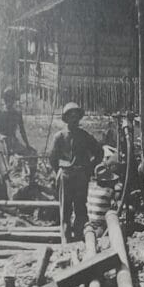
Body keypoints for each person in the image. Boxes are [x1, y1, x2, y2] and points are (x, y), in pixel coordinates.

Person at [49, 102, 103, 242]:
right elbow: (52, 158)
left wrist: (89, 168)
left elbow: (99, 152)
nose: (74, 119)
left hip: (80, 177)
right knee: (65, 210)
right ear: (66, 118)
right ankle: (65, 240)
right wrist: (59, 171)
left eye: (76, 116)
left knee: (80, 208)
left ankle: (80, 238)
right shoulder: (59, 137)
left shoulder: (84, 136)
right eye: (71, 116)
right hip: (65, 176)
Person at [0, 87, 37, 182]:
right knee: (4, 163)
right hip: (1, 142)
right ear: (4, 99)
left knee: (33, 154)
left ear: (14, 100)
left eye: (11, 99)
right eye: (7, 99)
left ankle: (31, 180)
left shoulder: (17, 113)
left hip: (14, 141)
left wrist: (27, 145)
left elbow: (22, 131)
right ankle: (5, 178)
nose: (9, 101)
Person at [84, 163, 118, 239]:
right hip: (101, 228)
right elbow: (116, 207)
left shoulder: (90, 188)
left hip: (89, 225)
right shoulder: (108, 191)